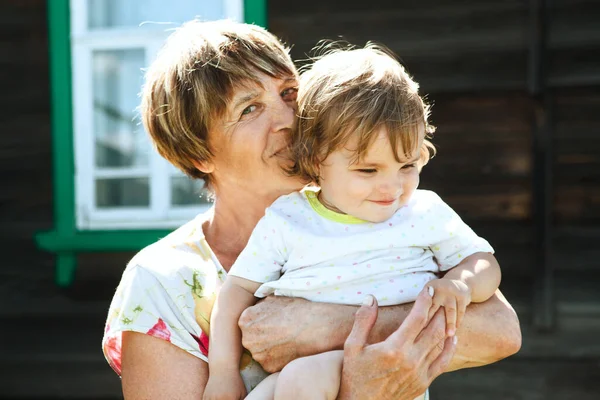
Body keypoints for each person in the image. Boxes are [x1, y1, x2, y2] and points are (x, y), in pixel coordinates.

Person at [101, 19, 522, 400]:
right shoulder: (163, 281)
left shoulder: (384, 211)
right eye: (249, 108)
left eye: (288, 93)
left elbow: (499, 332)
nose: (288, 118)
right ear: (199, 154)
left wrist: (332, 325)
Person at [203, 46, 502, 400]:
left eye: (407, 165)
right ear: (316, 159)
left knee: (303, 378)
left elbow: (482, 262)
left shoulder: (423, 213)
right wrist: (222, 372)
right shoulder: (290, 218)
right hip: (292, 375)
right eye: (368, 170)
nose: (392, 187)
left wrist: (462, 285)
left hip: (385, 371)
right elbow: (236, 290)